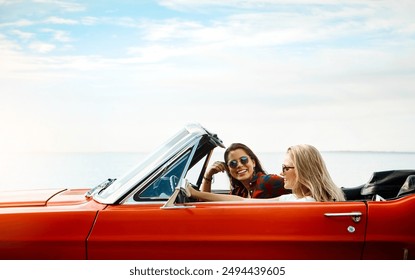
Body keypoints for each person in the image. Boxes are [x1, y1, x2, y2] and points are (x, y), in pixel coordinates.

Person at [186, 144, 345, 202]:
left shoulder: (268, 182)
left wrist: (194, 193)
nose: (281, 174)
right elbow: (237, 201)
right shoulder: (241, 190)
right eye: (232, 163)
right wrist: (207, 177)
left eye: (285, 168)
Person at [200, 143, 289, 198]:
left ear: (253, 162)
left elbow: (300, 190)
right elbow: (205, 204)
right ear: (229, 169)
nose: (239, 165)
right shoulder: (238, 192)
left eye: (243, 160)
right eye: (233, 163)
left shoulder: (267, 181)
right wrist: (208, 175)